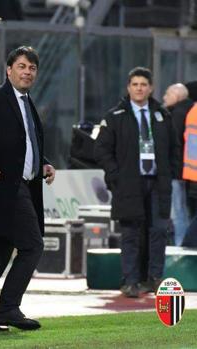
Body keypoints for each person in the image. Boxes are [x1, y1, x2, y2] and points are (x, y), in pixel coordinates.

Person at [0, 46, 55, 330]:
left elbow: (23, 145)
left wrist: (43, 163)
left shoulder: (27, 102)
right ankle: (7, 308)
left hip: (24, 186)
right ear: (8, 70)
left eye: (32, 68)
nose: (27, 72)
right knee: (32, 245)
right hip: (1, 187)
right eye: (22, 66)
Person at [95, 67, 172, 297]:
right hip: (129, 183)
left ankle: (155, 278)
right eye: (135, 84)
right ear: (128, 88)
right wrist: (115, 174)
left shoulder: (162, 115)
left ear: (151, 88)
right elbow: (101, 150)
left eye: (143, 84)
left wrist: (171, 173)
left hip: (158, 182)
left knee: (159, 231)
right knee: (130, 233)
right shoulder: (115, 116)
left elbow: (173, 148)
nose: (139, 88)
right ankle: (130, 281)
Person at [163, 83, 194, 246]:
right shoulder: (191, 110)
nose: (164, 98)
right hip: (189, 173)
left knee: (178, 213)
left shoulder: (177, 114)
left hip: (177, 171)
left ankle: (181, 248)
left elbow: (171, 144)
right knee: (186, 211)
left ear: (176, 96)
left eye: (167, 94)